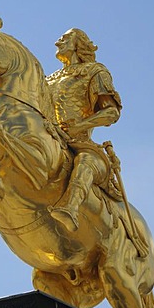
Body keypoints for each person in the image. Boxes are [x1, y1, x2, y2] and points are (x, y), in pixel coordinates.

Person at [47, 28, 122, 232]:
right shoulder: (48, 79)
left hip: (80, 144)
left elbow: (112, 113)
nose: (57, 42)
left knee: (86, 163)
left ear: (78, 44)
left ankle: (70, 207)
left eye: (64, 38)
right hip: (50, 138)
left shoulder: (95, 71)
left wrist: (80, 126)